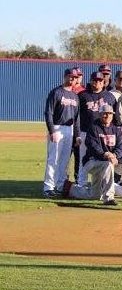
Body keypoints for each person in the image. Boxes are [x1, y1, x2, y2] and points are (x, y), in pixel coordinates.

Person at [68, 104, 119, 205]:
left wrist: (115, 155)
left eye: (109, 114)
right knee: (108, 165)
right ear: (100, 114)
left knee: (94, 195)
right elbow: (92, 145)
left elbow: (121, 145)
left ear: (112, 115)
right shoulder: (93, 127)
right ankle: (109, 197)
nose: (107, 116)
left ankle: (71, 190)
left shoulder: (116, 129)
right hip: (92, 162)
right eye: (105, 114)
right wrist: (106, 154)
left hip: (106, 162)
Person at [42, 68, 80, 198]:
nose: (72, 79)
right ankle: (48, 187)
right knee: (53, 159)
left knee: (64, 160)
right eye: (70, 76)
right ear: (64, 77)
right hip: (57, 127)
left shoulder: (75, 96)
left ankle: (60, 186)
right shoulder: (56, 92)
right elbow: (48, 113)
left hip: (69, 129)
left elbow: (76, 118)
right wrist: (52, 130)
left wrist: (77, 135)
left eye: (75, 77)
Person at [77, 71, 116, 184]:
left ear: (103, 82)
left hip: (105, 133)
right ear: (91, 81)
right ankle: (81, 182)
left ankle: (101, 183)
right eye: (95, 80)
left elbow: (115, 117)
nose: (97, 82)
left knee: (103, 158)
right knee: (83, 159)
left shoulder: (109, 96)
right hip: (85, 132)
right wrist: (77, 134)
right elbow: (77, 116)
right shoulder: (83, 95)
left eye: (100, 81)